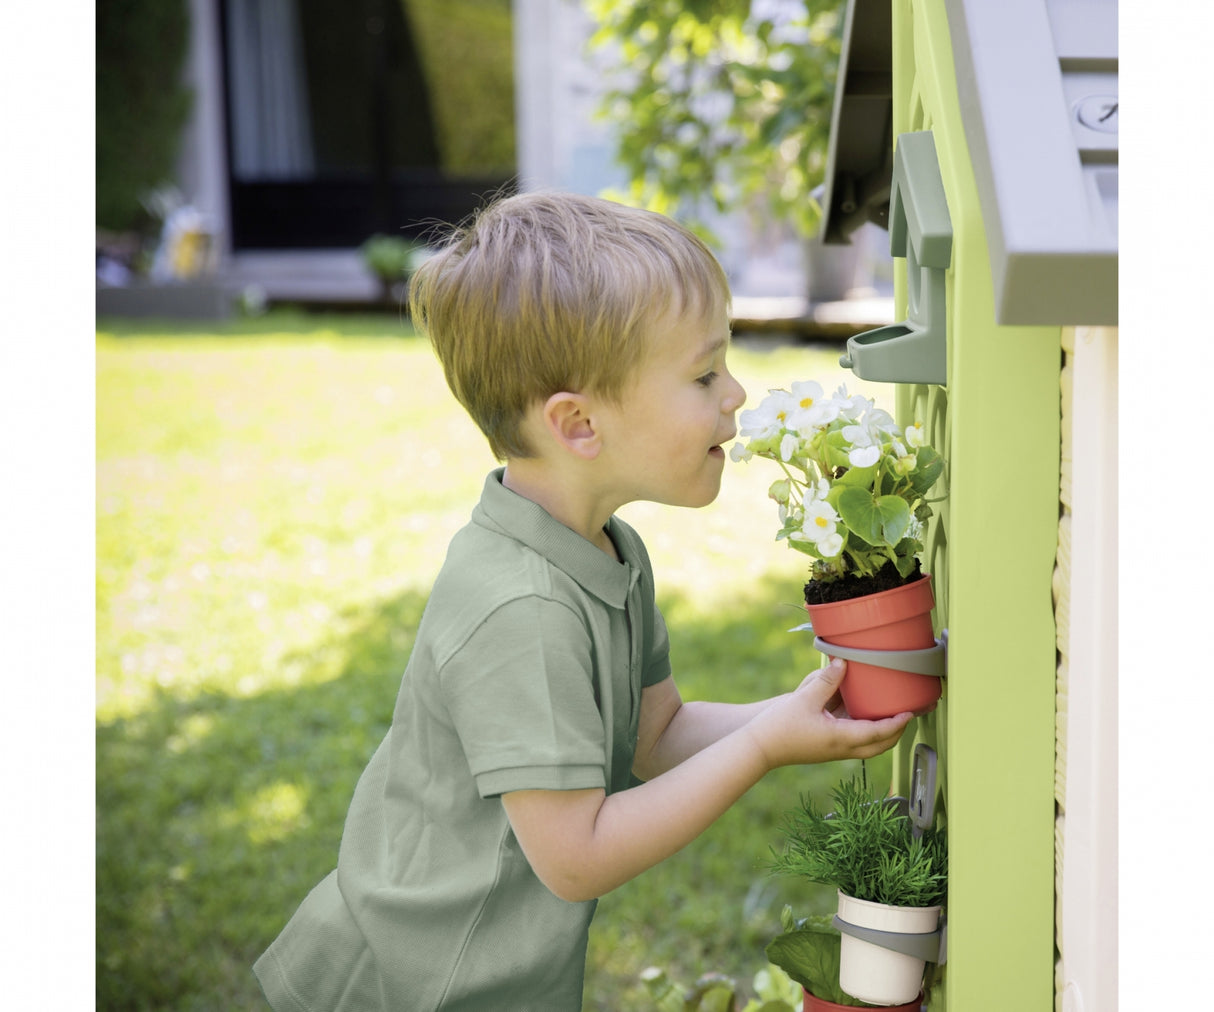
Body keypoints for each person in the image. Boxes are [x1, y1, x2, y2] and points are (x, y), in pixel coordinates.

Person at [253, 192, 913, 1011]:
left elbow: (655, 736)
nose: (736, 393)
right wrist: (762, 749)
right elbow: (576, 858)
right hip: (412, 985)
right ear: (579, 425)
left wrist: (798, 711)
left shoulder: (605, 550)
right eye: (704, 374)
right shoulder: (520, 608)